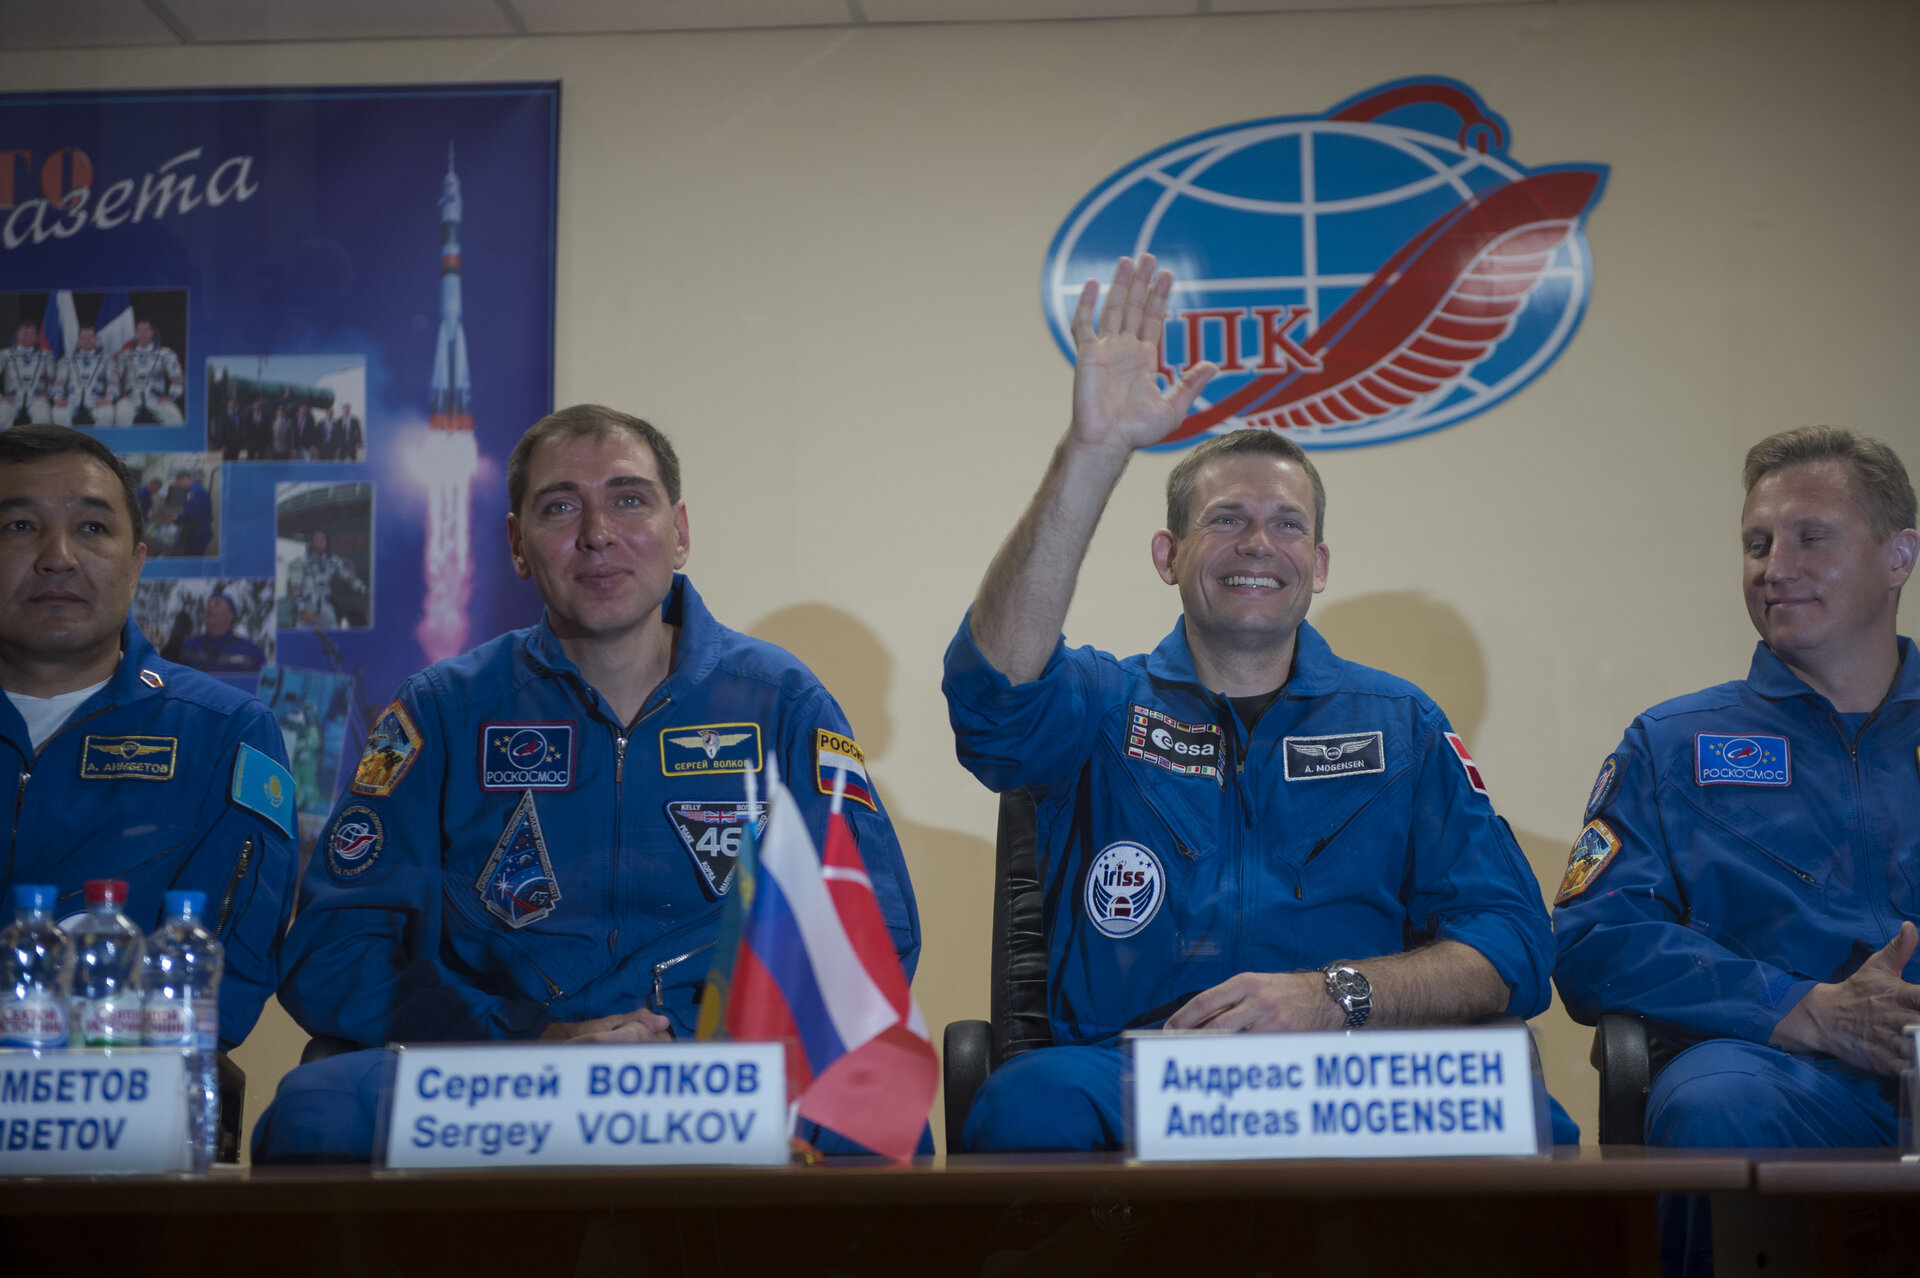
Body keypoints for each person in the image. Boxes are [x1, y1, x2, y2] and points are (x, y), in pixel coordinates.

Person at [942, 256, 1560, 1152]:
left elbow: (1510, 945)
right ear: (1169, 554)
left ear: (1319, 564)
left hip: (1354, 1074)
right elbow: (992, 702)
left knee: (1534, 1120)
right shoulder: (1098, 705)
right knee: (1026, 1106)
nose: (1258, 544)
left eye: (1287, 524)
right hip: (1148, 1075)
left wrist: (1334, 996)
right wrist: (1093, 455)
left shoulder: (1406, 727)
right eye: (1227, 519)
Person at [252, 404, 923, 1162]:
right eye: (561, 505)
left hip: (718, 1076)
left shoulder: (780, 701)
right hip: (508, 1075)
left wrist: (720, 1051)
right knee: (313, 1113)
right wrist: (527, 1037)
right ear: (515, 543)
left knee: (876, 1117)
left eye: (630, 498)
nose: (598, 531)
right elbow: (331, 953)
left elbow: (876, 935)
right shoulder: (442, 711)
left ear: (682, 531)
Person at [1552, 426, 1920, 1276]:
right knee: (1713, 1105)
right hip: (1778, 1077)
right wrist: (1801, 1009)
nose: (1774, 565)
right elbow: (1591, 940)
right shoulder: (1674, 744)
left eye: (1811, 538)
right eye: (1757, 544)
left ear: (1899, 555)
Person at [0, 425, 296, 1050]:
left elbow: (221, 989)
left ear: (136, 565)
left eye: (92, 528)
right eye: (19, 527)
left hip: (114, 1103)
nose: (57, 556)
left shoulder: (224, 735)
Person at [110, 320, 185, 426]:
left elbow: (177, 376)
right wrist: (117, 395)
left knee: (175, 417)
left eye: (146, 330)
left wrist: (172, 395)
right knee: (121, 416)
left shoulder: (165, 353)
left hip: (156, 397)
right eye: (139, 331)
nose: (142, 334)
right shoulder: (125, 355)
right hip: (131, 397)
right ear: (135, 333)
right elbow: (114, 376)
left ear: (152, 332)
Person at [285, 528, 363, 628]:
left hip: (326, 610)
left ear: (327, 543)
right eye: (316, 540)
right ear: (312, 543)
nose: (318, 543)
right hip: (306, 609)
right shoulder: (301, 562)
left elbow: (349, 577)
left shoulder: (333, 561)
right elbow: (294, 587)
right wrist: (302, 609)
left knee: (334, 634)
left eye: (322, 540)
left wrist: (363, 589)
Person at [175, 591, 265, 674]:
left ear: (230, 615)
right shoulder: (186, 647)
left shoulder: (251, 652)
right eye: (208, 604)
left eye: (217, 604)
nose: (210, 607)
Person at [50, 325, 115, 429]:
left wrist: (108, 397)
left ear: (96, 339)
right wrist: (58, 397)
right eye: (83, 337)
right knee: (59, 413)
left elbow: (113, 380)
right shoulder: (67, 359)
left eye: (90, 337)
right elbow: (59, 380)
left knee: (106, 413)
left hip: (96, 399)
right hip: (72, 399)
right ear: (78, 339)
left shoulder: (106, 359)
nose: (87, 340)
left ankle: (99, 444)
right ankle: (66, 445)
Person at [2, 320, 55, 428]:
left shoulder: (46, 355)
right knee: (2, 417)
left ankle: (39, 444)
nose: (28, 336)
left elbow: (52, 377)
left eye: (31, 334)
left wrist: (47, 394)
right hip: (13, 397)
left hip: (36, 397)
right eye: (25, 333)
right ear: (17, 335)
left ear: (36, 337)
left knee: (43, 419)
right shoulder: (5, 354)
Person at [168, 469, 213, 557]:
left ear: (184, 479)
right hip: (201, 530)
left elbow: (193, 514)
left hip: (198, 532)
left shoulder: (193, 491)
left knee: (193, 557)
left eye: (178, 482)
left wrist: (177, 518)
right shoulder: (199, 489)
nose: (178, 485)